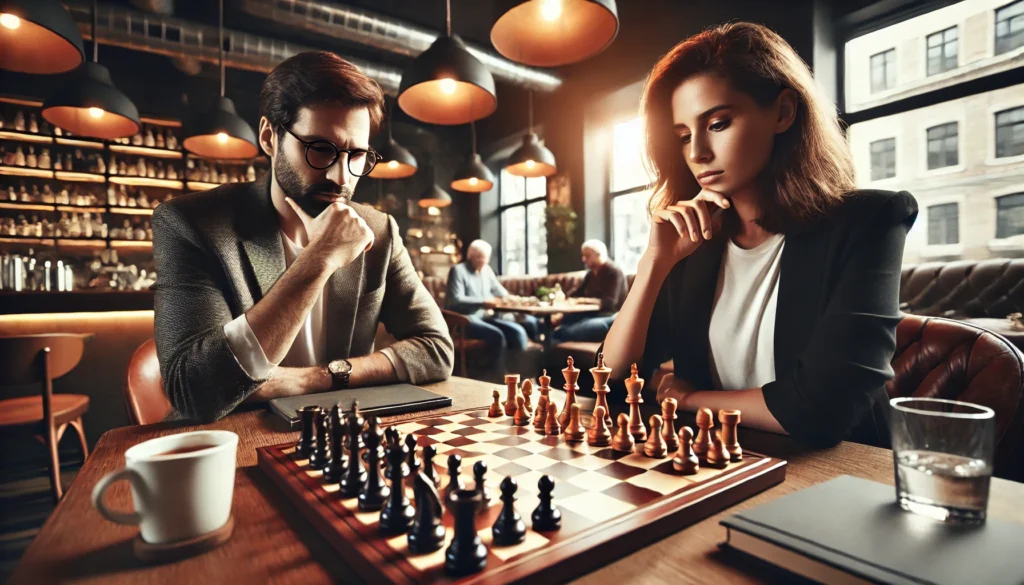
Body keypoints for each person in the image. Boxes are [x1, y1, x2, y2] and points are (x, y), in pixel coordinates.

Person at [602, 23, 917, 447]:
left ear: (783, 113)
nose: (697, 152)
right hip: (714, 461)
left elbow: (820, 411)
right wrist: (654, 264)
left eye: (717, 123)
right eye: (682, 136)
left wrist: (693, 397)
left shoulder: (870, 221)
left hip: (840, 476)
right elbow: (610, 379)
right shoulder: (692, 243)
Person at [153, 51, 453, 422]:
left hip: (341, 435)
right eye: (321, 149)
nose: (342, 177)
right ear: (269, 136)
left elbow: (436, 349)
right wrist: (319, 258)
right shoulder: (192, 224)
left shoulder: (378, 231)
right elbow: (193, 391)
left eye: (356, 155)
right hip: (229, 444)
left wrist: (320, 377)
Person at [445, 240, 540, 360]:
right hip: (465, 320)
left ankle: (516, 371)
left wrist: (518, 300)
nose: (484, 261)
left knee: (517, 332)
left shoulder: (486, 270)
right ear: (471, 257)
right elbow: (456, 300)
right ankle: (498, 376)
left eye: (485, 258)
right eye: (480, 258)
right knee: (498, 336)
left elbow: (501, 292)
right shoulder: (458, 271)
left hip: (486, 317)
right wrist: (484, 301)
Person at [551, 240, 627, 343]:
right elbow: (577, 294)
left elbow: (609, 303)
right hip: (590, 315)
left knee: (597, 327)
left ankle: (558, 334)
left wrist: (582, 300)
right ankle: (557, 335)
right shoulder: (590, 274)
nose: (583, 259)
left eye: (587, 256)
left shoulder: (614, 272)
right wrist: (563, 301)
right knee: (561, 320)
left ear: (598, 254)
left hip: (609, 316)